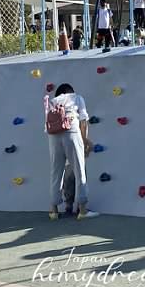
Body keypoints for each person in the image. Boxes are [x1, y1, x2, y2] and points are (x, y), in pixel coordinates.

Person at [44, 83, 97, 220]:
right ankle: (83, 210)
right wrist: (85, 141)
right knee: (79, 170)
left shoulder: (53, 102)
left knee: (56, 172)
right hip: (71, 132)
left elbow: (47, 125)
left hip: (53, 136)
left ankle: (53, 210)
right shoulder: (77, 98)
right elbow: (83, 121)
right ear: (71, 91)